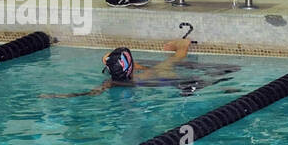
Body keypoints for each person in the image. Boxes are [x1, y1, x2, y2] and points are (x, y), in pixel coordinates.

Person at [42, 39, 196, 97]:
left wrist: (57, 96)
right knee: (173, 59)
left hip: (136, 81)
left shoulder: (109, 83)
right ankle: (181, 43)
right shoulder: (151, 73)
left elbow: (86, 94)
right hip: (166, 79)